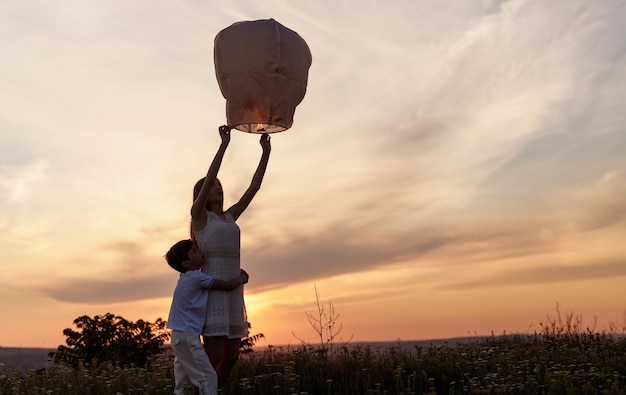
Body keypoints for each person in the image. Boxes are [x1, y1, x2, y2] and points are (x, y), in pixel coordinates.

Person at [190, 125, 271, 387]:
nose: (218, 188)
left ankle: (214, 391)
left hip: (234, 289)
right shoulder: (199, 217)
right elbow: (210, 174)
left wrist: (265, 153)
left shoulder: (230, 216)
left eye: (220, 186)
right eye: (213, 186)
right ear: (202, 194)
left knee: (233, 356)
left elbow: (254, 188)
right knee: (211, 356)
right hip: (214, 288)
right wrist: (224, 145)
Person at [165, 239, 249, 395]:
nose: (200, 251)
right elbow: (227, 286)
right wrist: (242, 278)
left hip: (178, 335)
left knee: (182, 381)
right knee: (208, 377)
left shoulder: (186, 278)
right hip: (187, 336)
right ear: (186, 263)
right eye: (194, 251)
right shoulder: (197, 277)